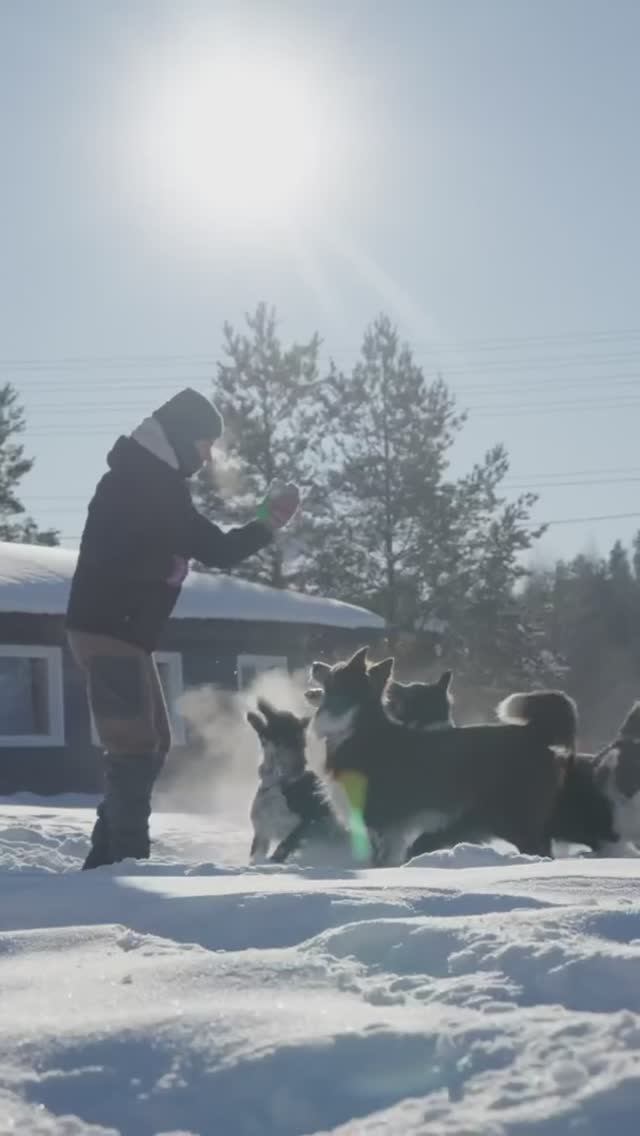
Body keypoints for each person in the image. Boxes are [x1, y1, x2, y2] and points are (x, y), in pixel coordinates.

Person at [66, 387, 299, 870]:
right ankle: (123, 865)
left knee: (152, 742)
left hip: (125, 633)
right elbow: (114, 554)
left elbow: (210, 547)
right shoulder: (137, 482)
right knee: (133, 745)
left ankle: (105, 861)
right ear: (180, 435)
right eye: (204, 443)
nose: (207, 456)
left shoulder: (157, 481)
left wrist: (263, 524)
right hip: (108, 629)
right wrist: (166, 568)